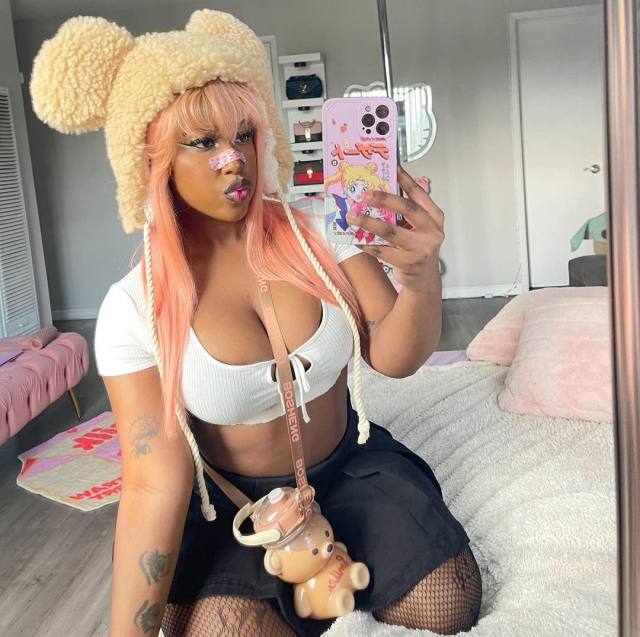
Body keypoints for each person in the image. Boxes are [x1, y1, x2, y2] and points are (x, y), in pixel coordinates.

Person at [30, 9, 482, 637]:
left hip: (347, 467)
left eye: (244, 134)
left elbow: (394, 358)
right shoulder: (133, 308)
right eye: (202, 142)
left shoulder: (320, 231)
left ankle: (329, 581)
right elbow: (154, 485)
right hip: (236, 510)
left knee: (447, 602)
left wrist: (422, 275)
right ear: (151, 158)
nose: (233, 160)